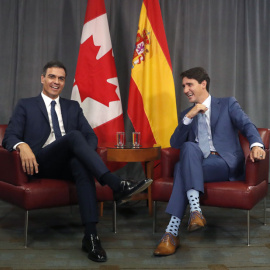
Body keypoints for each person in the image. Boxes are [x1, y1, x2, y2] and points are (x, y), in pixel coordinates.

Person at [2, 60, 152, 263]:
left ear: (65, 82)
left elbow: (91, 137)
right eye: (52, 77)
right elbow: (9, 136)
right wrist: (22, 145)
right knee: (73, 136)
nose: (56, 82)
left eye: (61, 78)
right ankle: (116, 184)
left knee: (80, 163)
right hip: (40, 162)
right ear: (42, 79)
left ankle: (91, 237)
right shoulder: (26, 105)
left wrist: (83, 155)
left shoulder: (72, 107)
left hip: (67, 165)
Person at [153, 67, 266, 256]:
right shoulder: (186, 114)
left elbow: (247, 124)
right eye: (183, 86)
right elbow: (175, 143)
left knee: (182, 168)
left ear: (203, 84)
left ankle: (172, 233)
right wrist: (189, 117)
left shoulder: (227, 104)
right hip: (198, 162)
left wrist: (257, 144)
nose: (185, 90)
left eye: (189, 84)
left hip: (223, 162)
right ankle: (194, 213)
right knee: (188, 148)